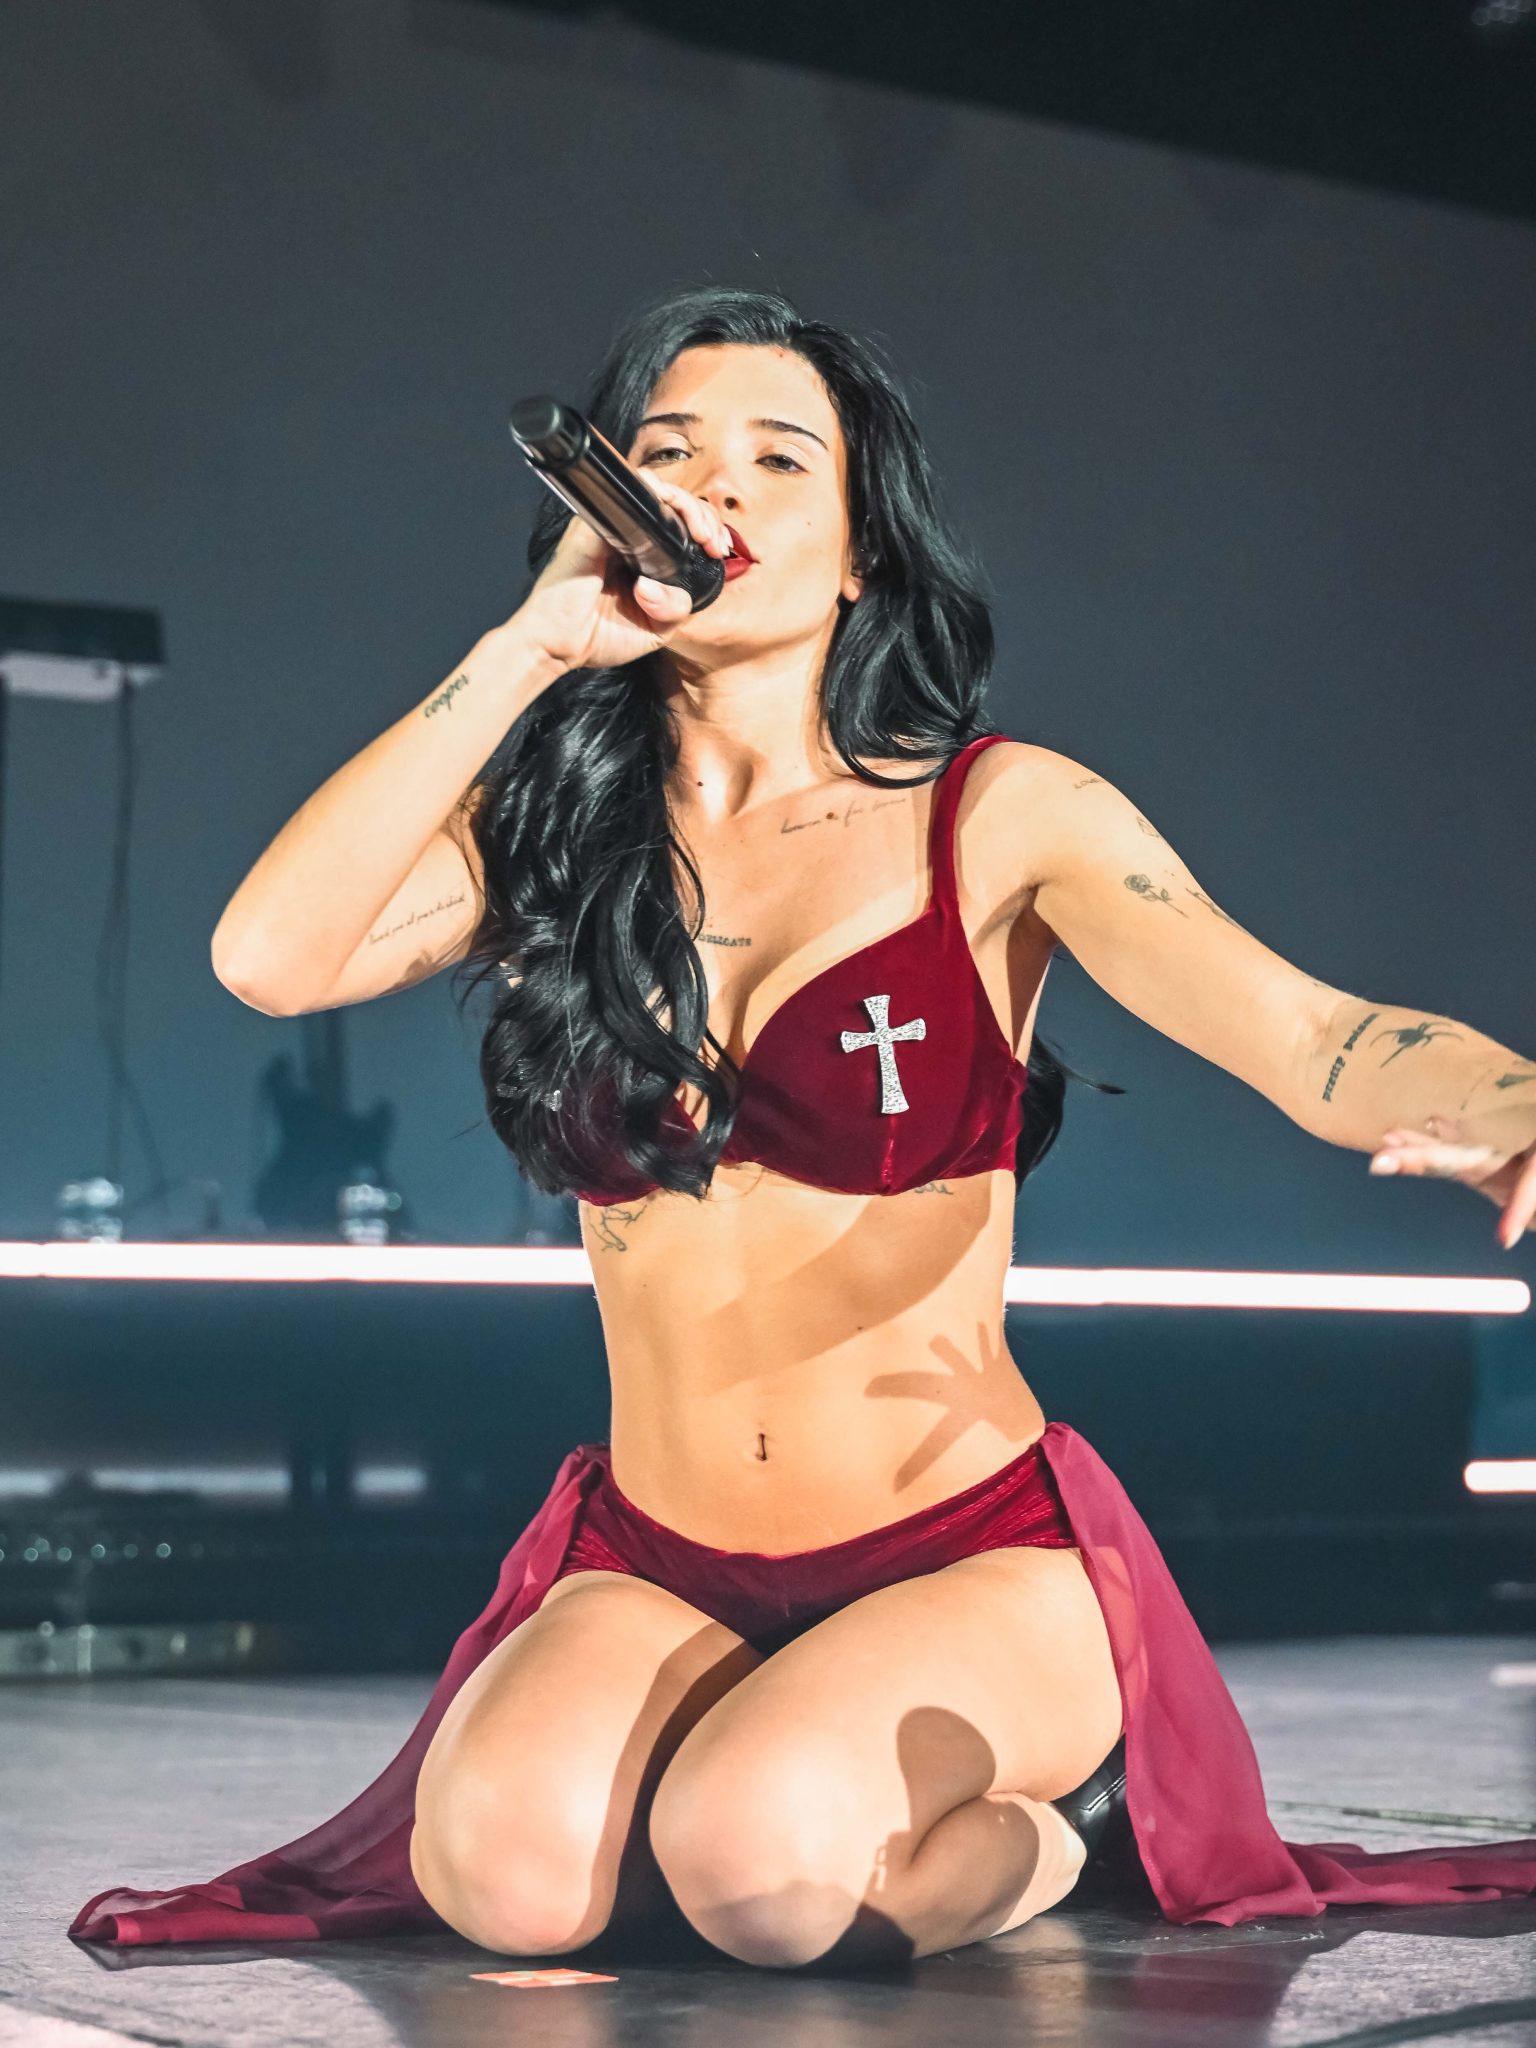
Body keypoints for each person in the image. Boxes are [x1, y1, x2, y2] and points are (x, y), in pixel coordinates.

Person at [72, 286, 1536, 1967]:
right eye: (672, 451)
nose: (718, 487)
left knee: (759, 1872)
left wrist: (1518, 1106)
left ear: (860, 552)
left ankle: (1054, 1836)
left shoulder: (999, 814)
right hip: (662, 1556)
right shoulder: (555, 843)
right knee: (502, 1882)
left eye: (779, 458)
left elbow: (1315, 1034)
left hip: (964, 1552)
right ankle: (776, 1775)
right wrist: (529, 648)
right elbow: (268, 960)